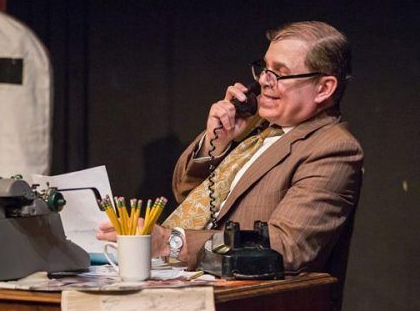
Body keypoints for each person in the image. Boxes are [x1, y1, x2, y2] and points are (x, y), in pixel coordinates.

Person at [98, 21, 363, 273]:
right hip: (180, 279)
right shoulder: (256, 126)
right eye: (264, 69)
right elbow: (186, 194)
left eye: (280, 74)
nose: (262, 81)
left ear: (324, 88)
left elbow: (286, 248)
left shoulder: (333, 149)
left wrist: (170, 242)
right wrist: (219, 140)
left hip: (245, 304)